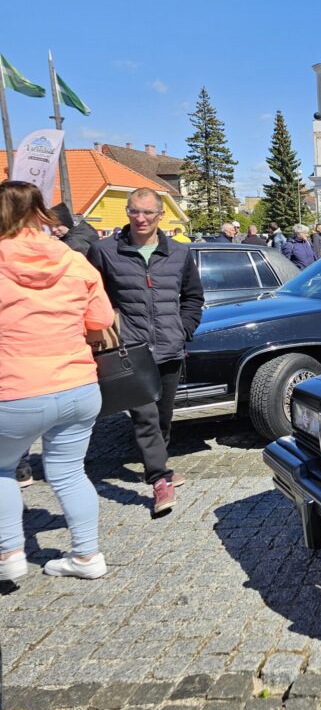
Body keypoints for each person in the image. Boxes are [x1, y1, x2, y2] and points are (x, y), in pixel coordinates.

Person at [0, 181, 116, 581]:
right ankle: (87, 556)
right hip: (77, 385)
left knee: (2, 469)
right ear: (41, 213)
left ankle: (10, 553)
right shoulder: (73, 260)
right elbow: (101, 320)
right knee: (70, 472)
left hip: (14, 388)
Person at [88, 187, 204, 515]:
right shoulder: (105, 251)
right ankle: (158, 479)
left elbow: (193, 297)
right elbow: (93, 297)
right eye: (134, 211)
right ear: (127, 212)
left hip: (169, 348)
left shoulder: (179, 253)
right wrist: (106, 332)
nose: (140, 218)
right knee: (145, 417)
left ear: (160, 215)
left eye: (148, 212)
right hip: (131, 352)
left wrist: (183, 329)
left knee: (163, 417)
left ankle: (158, 464)